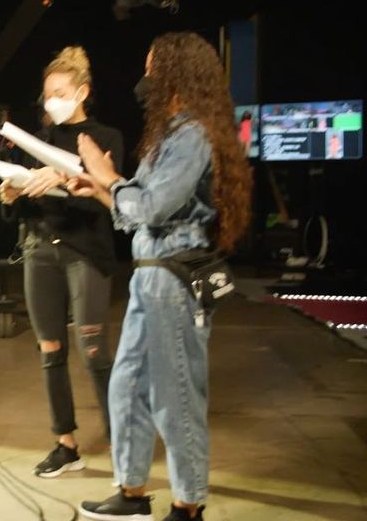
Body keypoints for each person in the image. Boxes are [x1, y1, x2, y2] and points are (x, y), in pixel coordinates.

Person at [69, 32, 252, 521]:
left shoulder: (193, 135)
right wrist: (100, 190)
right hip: (148, 277)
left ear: (175, 74)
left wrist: (107, 175)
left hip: (174, 282)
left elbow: (151, 207)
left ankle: (188, 505)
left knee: (176, 398)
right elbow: (138, 212)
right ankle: (131, 494)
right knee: (127, 385)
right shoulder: (170, 136)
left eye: (152, 69)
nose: (145, 80)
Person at [0, 46, 123, 478]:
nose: (51, 101)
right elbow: (29, 206)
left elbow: (106, 201)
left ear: (82, 92)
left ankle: (122, 438)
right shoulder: (40, 142)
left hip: (84, 253)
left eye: (60, 93)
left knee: (94, 352)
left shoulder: (105, 138)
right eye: (48, 93)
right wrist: (12, 194)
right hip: (40, 252)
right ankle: (65, 444)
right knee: (50, 350)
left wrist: (67, 177)